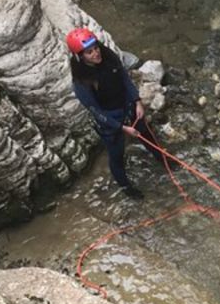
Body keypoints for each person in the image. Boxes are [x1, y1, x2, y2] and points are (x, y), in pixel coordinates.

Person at [66, 27, 164, 199]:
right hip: (109, 118)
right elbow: (95, 111)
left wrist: (137, 101)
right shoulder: (82, 82)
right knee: (117, 154)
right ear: (80, 57)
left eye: (95, 48)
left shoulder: (108, 56)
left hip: (127, 105)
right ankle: (126, 187)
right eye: (89, 52)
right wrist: (122, 127)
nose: (96, 53)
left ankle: (162, 159)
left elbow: (124, 79)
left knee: (147, 133)